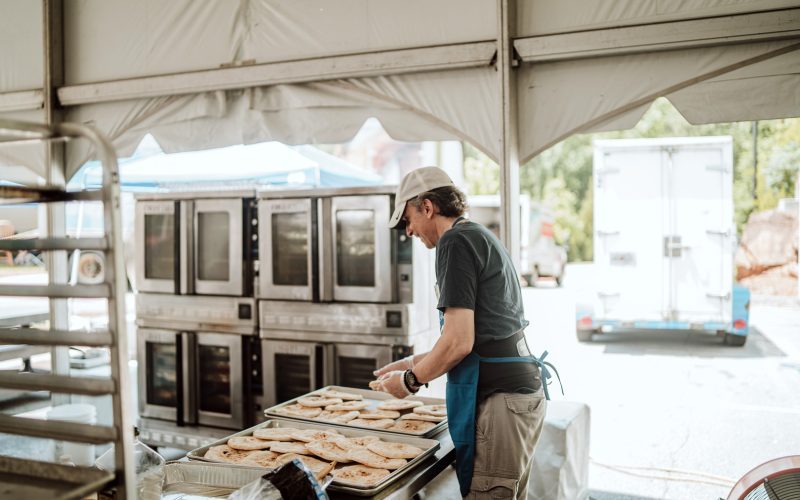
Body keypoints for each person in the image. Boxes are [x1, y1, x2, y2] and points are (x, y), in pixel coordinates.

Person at [369, 166, 549, 499]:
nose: (408, 231)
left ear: (427, 206)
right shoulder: (475, 233)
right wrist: (409, 362)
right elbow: (475, 336)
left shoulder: (455, 241)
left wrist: (409, 381)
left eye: (408, 219)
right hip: (516, 395)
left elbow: (458, 343)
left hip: (501, 399)